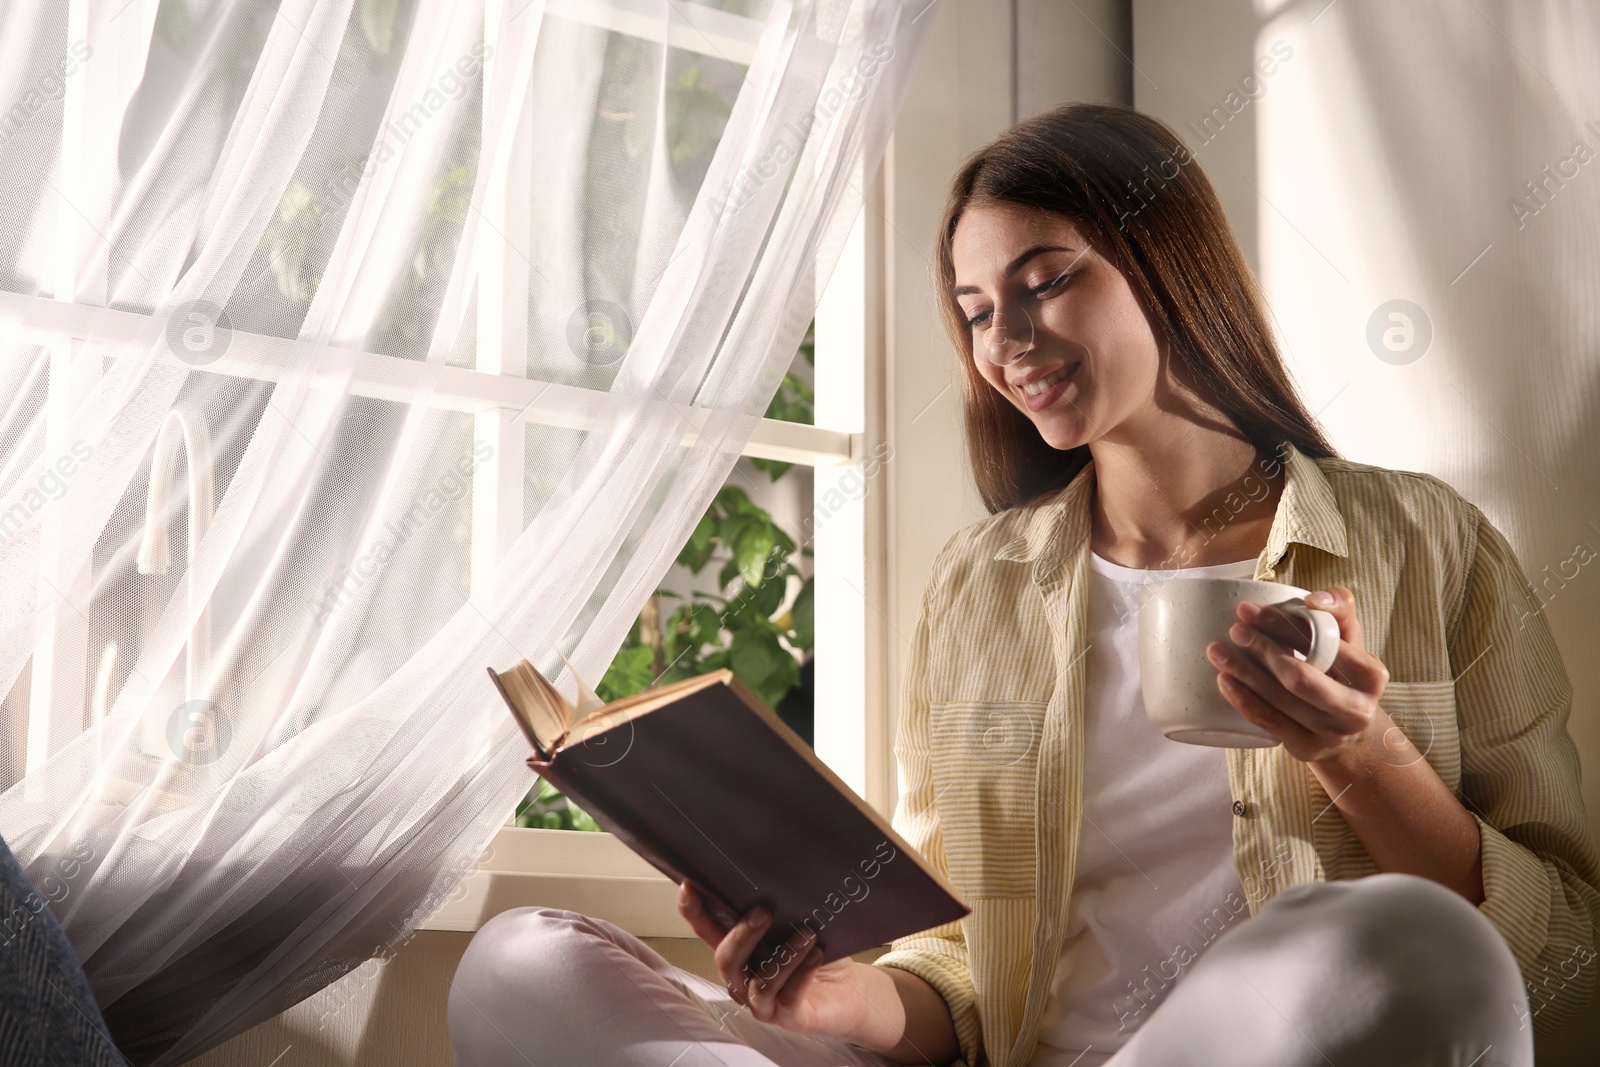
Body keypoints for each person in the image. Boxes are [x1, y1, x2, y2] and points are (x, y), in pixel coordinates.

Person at [448, 103, 1600, 1067]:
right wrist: (844, 1001)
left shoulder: (1422, 540)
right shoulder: (981, 587)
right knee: (524, 961)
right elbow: (958, 965)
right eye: (974, 311)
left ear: (1168, 263)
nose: (1007, 340)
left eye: (1044, 280)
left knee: (1402, 935)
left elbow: (1563, 955)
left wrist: (1358, 752)